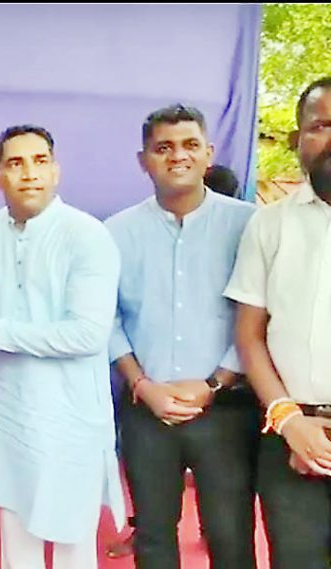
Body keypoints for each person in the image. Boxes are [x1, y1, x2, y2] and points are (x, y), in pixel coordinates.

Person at [0, 124, 123, 569]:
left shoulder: (87, 235)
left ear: (56, 171)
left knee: (72, 543)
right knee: (16, 539)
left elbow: (87, 334)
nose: (29, 174)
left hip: (70, 413)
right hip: (13, 409)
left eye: (40, 162)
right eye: (15, 163)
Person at [106, 104, 259, 569]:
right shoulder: (115, 232)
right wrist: (142, 384)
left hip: (227, 408)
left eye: (190, 145)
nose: (178, 156)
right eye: (164, 147)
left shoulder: (250, 224)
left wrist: (215, 383)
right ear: (144, 160)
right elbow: (107, 319)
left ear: (208, 153)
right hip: (146, 408)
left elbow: (261, 313)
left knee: (231, 536)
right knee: (153, 536)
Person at [225, 75, 331, 569]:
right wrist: (290, 422)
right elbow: (249, 335)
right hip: (291, 435)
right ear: (296, 139)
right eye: (321, 126)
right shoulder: (269, 224)